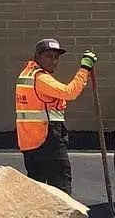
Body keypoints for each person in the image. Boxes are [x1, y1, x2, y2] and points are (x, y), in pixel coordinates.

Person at [14, 38, 97, 196]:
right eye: (49, 56)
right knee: (60, 187)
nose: (54, 61)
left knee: (36, 189)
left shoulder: (26, 75)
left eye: (56, 57)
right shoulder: (40, 78)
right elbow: (69, 92)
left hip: (29, 141)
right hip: (48, 139)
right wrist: (84, 69)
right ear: (38, 57)